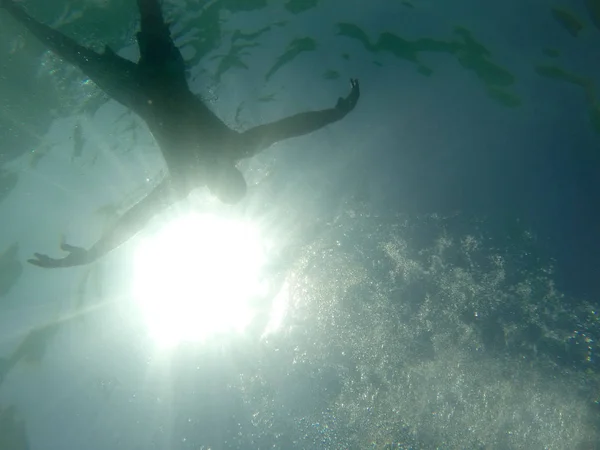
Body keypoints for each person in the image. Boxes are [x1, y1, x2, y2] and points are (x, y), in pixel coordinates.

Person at [1, 0, 360, 268]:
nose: (222, 176)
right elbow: (287, 128)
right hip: (162, 78)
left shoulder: (192, 176)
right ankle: (19, 15)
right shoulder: (231, 151)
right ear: (232, 175)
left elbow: (138, 218)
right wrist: (335, 114)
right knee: (141, 20)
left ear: (218, 189)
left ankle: (17, 14)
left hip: (141, 90)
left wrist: (94, 253)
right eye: (229, 179)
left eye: (223, 184)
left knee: (77, 53)